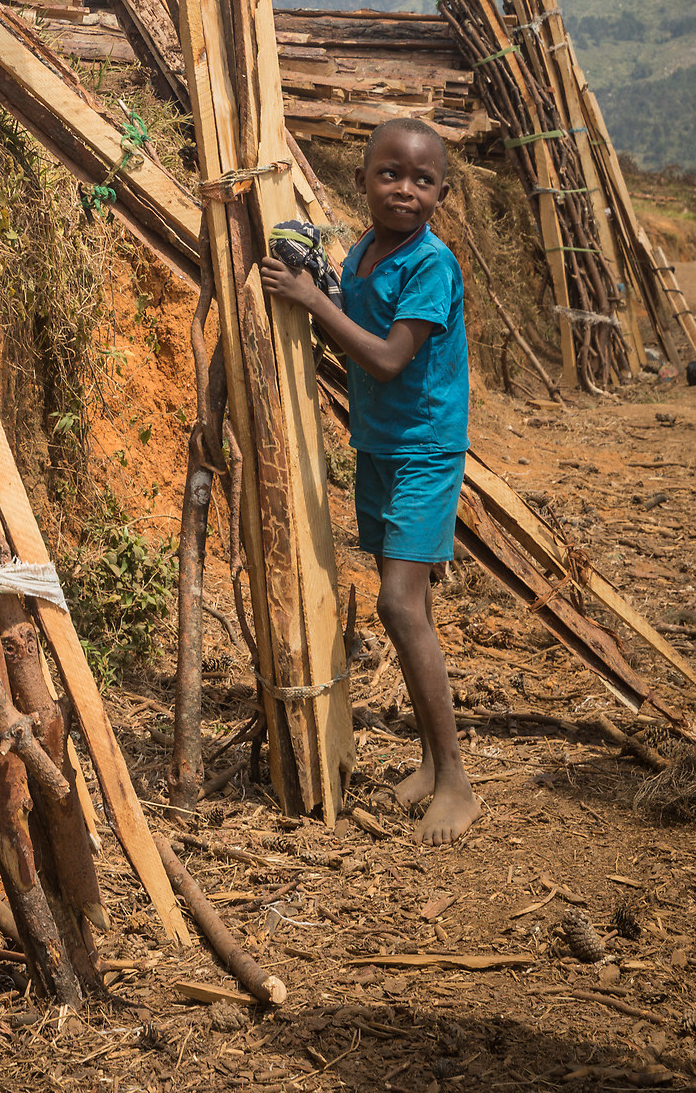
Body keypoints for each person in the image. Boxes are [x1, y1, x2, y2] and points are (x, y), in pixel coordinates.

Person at [260, 116, 479, 847]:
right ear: (362, 182)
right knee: (404, 606)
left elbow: (386, 359)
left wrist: (313, 302)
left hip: (424, 451)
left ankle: (455, 780)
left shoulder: (429, 266)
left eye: (422, 180)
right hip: (380, 447)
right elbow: (345, 326)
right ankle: (427, 760)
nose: (405, 190)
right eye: (390, 174)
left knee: (397, 603)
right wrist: (319, 286)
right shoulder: (361, 255)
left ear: (441, 193)